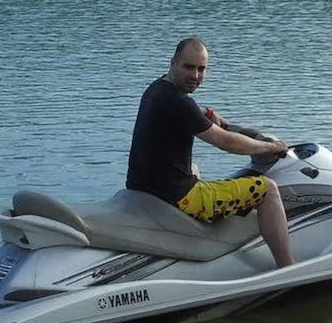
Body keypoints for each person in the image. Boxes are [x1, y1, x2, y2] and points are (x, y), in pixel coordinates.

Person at [126, 36, 295, 268]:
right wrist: (271, 147)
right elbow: (227, 143)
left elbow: (189, 114)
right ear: (172, 63)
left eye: (201, 69)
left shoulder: (156, 90)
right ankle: (287, 265)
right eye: (188, 67)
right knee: (267, 189)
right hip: (179, 197)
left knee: (194, 168)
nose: (195, 75)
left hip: (146, 188)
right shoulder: (180, 104)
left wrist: (208, 115)